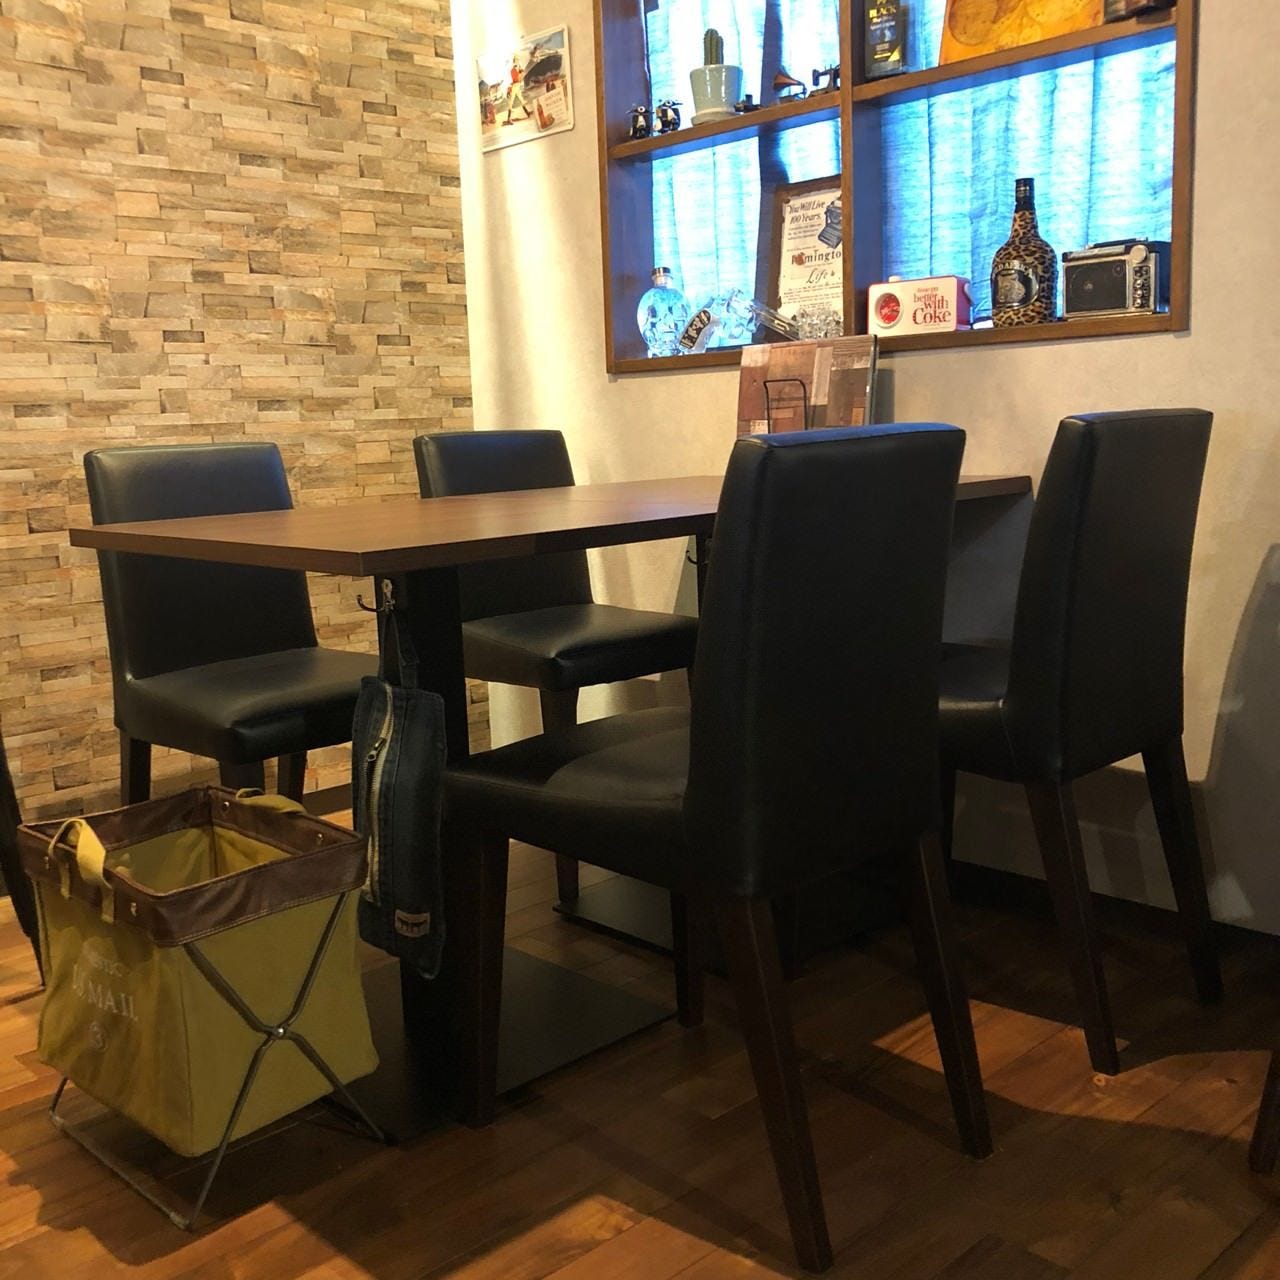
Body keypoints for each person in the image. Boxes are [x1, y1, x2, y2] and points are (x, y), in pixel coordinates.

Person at [504, 56, 531, 125]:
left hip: (517, 86)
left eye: (518, 60)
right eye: (517, 60)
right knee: (511, 102)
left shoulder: (517, 68)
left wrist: (521, 72)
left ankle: (527, 112)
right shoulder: (513, 70)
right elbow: (514, 79)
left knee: (521, 99)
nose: (518, 61)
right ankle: (509, 119)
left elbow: (521, 76)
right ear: (514, 61)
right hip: (514, 86)